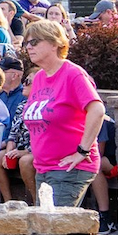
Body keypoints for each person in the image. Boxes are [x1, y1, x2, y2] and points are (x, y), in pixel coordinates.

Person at [19, 17, 106, 208]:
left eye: (34, 42)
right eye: (26, 43)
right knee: (49, 229)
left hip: (69, 168)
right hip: (44, 168)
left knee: (54, 229)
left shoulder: (72, 74)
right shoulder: (40, 77)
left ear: (54, 43)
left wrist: (82, 151)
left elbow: (97, 110)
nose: (29, 47)